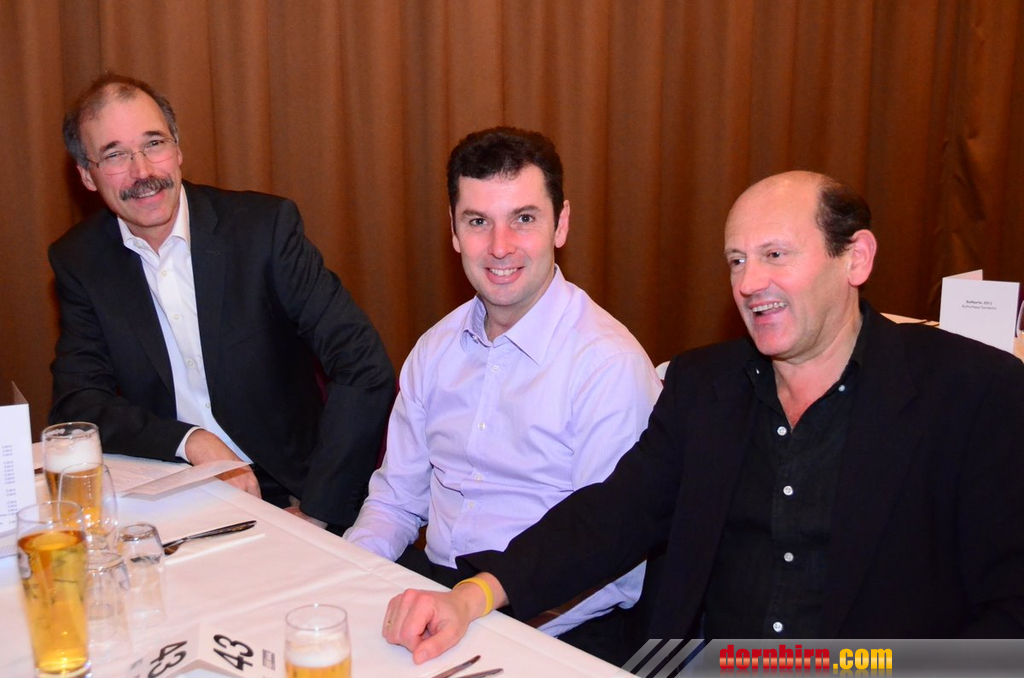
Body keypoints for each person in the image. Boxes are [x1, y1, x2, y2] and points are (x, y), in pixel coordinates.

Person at [381, 170, 1024, 664]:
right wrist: (473, 595)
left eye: (776, 255)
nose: (748, 283)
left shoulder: (974, 394)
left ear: (855, 257)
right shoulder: (704, 388)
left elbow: (1010, 610)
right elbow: (613, 515)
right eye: (737, 260)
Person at [344, 127, 662, 656]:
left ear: (561, 223)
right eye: (478, 222)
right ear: (453, 230)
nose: (499, 247)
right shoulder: (434, 349)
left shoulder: (608, 366)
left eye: (524, 219)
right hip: (438, 589)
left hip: (556, 624)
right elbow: (395, 501)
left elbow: (615, 569)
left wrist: (477, 614)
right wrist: (346, 577)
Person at [50, 73, 395, 530]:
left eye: (154, 144)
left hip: (291, 487)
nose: (143, 172)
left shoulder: (263, 230)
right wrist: (191, 441)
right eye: (115, 155)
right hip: (172, 488)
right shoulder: (81, 259)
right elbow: (78, 403)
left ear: (178, 149)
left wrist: (318, 507)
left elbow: (363, 364)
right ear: (86, 175)